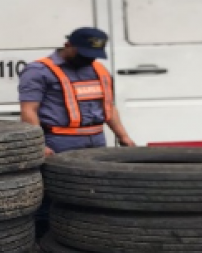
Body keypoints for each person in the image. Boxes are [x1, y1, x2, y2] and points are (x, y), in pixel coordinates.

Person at [17, 27, 135, 237]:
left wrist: (123, 137)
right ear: (68, 45)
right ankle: (47, 242)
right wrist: (39, 145)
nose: (88, 59)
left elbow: (108, 107)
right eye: (83, 54)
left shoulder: (98, 70)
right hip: (60, 142)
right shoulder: (38, 71)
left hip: (96, 141)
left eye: (93, 55)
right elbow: (29, 110)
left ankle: (87, 237)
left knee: (94, 192)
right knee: (54, 195)